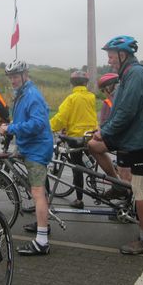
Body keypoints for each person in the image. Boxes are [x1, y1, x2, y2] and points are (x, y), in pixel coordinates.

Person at [88, 35, 143, 255]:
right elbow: (118, 109)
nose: (109, 61)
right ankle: (118, 185)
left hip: (137, 140)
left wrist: (106, 132)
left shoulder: (135, 74)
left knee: (140, 188)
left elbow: (127, 111)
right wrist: (102, 130)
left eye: (111, 56)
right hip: (129, 136)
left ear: (123, 54)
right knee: (92, 145)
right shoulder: (126, 74)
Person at [0, 60, 53, 256]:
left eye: (15, 76)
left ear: (25, 75)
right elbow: (24, 119)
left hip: (37, 150)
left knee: (37, 193)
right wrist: (9, 125)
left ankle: (42, 241)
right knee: (37, 189)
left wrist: (11, 128)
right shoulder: (22, 94)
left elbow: (38, 124)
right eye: (10, 77)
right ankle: (43, 222)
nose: (12, 80)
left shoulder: (31, 95)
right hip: (28, 146)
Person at [49, 70, 98, 209]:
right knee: (90, 163)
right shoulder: (92, 97)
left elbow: (60, 118)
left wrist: (48, 127)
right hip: (91, 135)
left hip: (76, 137)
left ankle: (79, 199)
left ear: (72, 83)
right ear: (86, 83)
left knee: (77, 170)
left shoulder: (71, 98)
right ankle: (94, 181)